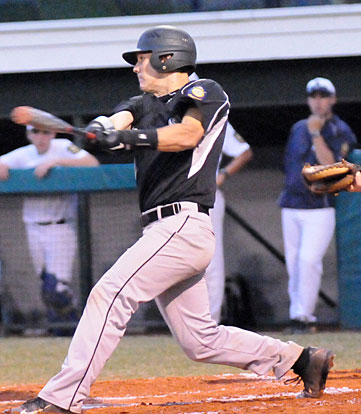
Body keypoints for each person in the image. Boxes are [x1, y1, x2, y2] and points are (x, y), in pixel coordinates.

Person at [8, 26, 334, 414]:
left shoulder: (204, 92)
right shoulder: (142, 103)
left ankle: (63, 397)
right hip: (166, 230)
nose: (136, 67)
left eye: (142, 58)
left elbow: (186, 135)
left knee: (110, 293)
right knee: (200, 341)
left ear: (168, 58)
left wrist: (129, 139)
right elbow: (120, 119)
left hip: (182, 223)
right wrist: (103, 128)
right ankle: (301, 360)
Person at [0, 126, 99, 335]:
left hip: (60, 226)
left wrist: (56, 162)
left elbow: (92, 163)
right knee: (46, 285)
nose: (41, 137)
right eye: (35, 132)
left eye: (45, 132)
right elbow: (3, 162)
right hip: (33, 227)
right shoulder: (24, 153)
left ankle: (77, 329)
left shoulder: (63, 147)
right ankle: (60, 331)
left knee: (57, 289)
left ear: (53, 133)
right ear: (29, 135)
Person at [278, 77, 357, 334]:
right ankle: (296, 316)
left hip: (319, 207)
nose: (319, 101)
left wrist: (316, 133)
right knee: (294, 264)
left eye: (323, 96)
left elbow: (333, 169)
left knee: (308, 260)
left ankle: (306, 317)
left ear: (332, 99)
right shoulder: (298, 127)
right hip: (291, 204)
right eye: (314, 96)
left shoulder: (338, 129)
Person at [189, 73, 253, 323]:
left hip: (206, 196)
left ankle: (209, 322)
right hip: (175, 196)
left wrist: (224, 173)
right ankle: (189, 323)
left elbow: (244, 151)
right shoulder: (166, 115)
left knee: (211, 261)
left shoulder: (212, 117)